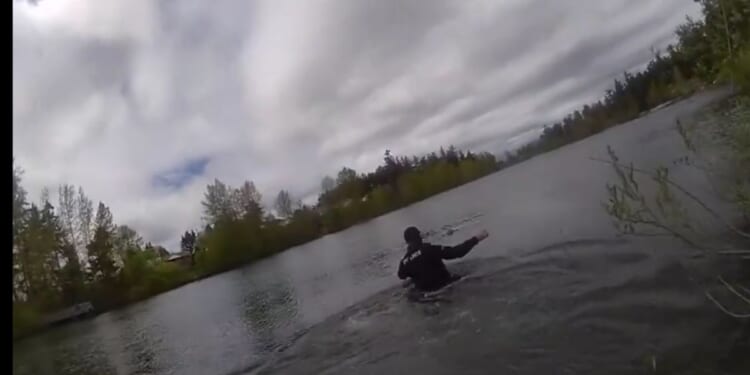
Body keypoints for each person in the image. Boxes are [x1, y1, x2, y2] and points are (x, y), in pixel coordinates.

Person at [397, 226, 489, 292]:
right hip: (446, 285)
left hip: (426, 293)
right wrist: (476, 239)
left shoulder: (404, 262)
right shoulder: (429, 249)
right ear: (419, 237)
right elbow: (457, 252)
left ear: (407, 242)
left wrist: (413, 278)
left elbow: (401, 275)